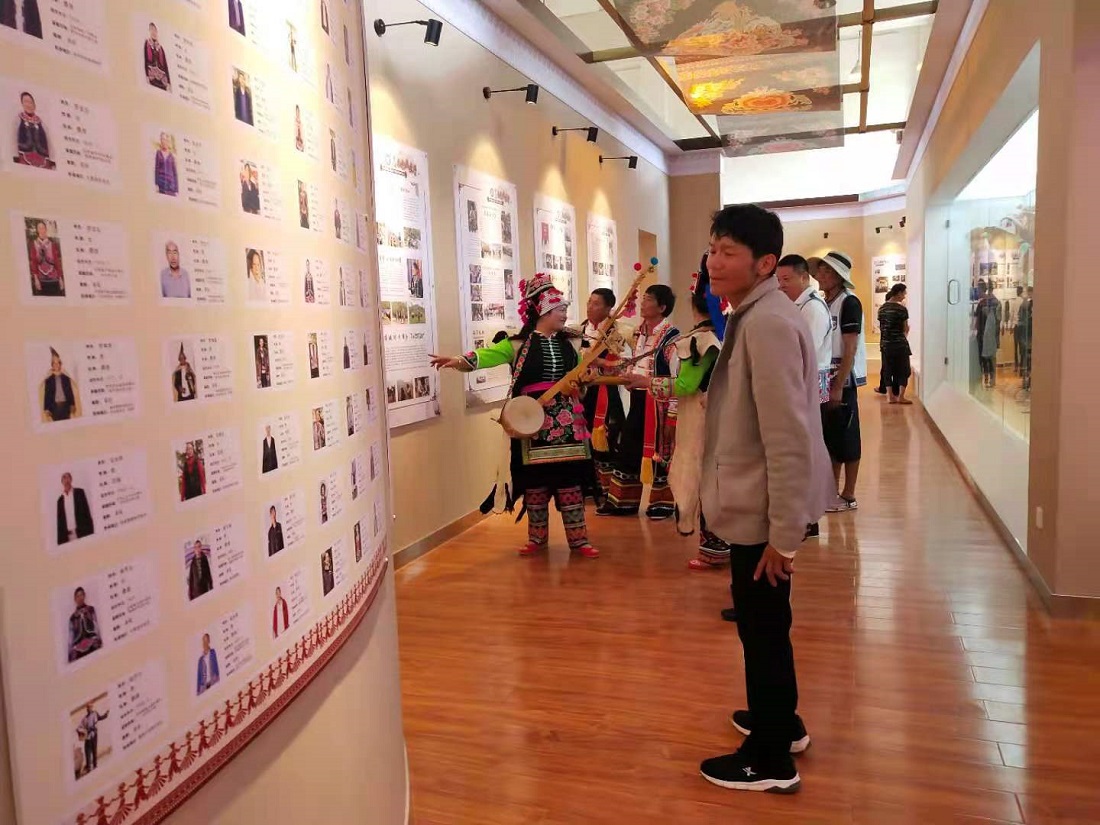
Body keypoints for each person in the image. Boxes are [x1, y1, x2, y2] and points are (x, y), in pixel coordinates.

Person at [697, 204, 833, 794]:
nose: (714, 261)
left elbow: (788, 436)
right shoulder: (757, 313)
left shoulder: (768, 323)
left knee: (764, 629)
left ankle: (770, 758)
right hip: (756, 503)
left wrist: (784, 535)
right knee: (764, 625)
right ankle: (782, 721)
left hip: (763, 511)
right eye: (712, 249)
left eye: (728, 252)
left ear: (765, 262)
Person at [430, 273, 602, 558]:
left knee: (570, 480)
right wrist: (458, 361)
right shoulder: (517, 345)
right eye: (559, 309)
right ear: (543, 311)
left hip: (568, 422)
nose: (564, 314)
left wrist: (584, 380)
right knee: (534, 482)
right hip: (530, 423)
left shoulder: (573, 343)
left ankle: (579, 539)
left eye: (564, 309)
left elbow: (583, 374)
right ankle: (537, 537)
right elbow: (487, 355)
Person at [628, 261, 724, 567]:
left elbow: (685, 384)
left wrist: (646, 382)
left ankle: (714, 547)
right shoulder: (726, 335)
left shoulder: (701, 341)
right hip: (722, 414)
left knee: (703, 476)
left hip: (702, 417)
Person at [599, 284, 680, 519]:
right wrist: (627, 375)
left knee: (660, 450)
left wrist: (672, 414)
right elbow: (633, 361)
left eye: (649, 299)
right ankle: (623, 501)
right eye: (643, 298)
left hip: (659, 403)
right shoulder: (638, 333)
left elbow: (677, 376)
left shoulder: (672, 337)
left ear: (662, 307)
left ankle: (662, 503)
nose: (643, 303)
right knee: (629, 446)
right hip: (638, 398)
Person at [777, 253, 833, 542]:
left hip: (807, 384)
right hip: (799, 383)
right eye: (778, 280)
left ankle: (809, 517)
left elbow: (803, 351)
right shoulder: (796, 305)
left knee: (806, 450)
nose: (781, 285)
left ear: (803, 277)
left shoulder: (812, 308)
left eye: (787, 279)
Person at [809, 251, 867, 513]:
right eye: (820, 270)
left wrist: (838, 385)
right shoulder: (825, 302)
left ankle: (849, 494)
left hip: (841, 380)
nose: (820, 275)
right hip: (825, 377)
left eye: (826, 271)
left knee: (848, 436)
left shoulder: (849, 302)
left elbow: (850, 347)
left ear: (838, 276)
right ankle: (831, 491)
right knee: (830, 436)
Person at [579, 288, 628, 496]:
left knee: (609, 435)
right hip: (583, 393)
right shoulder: (579, 330)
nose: (590, 307)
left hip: (607, 392)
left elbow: (623, 365)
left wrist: (598, 362)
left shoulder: (618, 333)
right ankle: (588, 485)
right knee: (583, 435)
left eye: (596, 303)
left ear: (609, 308)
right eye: (589, 302)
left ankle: (608, 489)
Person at [877, 283, 912, 404]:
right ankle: (901, 396)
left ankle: (889, 396)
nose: (904, 296)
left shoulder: (882, 309)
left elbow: (882, 328)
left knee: (887, 370)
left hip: (886, 344)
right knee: (904, 370)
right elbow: (905, 328)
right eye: (904, 293)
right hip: (900, 344)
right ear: (899, 293)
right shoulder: (902, 309)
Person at [13, 91, 54, 168]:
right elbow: (13, 137)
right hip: (23, 156)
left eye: (30, 102)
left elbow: (49, 142)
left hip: (43, 159)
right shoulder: (18, 118)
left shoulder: (41, 122)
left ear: (34, 105)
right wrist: (15, 155)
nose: (28, 104)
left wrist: (52, 160)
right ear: (22, 104)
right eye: (25, 102)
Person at [41, 347, 81, 422]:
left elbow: (70, 391)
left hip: (65, 406)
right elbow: (47, 394)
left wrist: (72, 404)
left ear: (60, 364)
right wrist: (46, 408)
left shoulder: (65, 377)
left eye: (58, 363)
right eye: (54, 363)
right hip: (54, 407)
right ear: (52, 365)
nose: (56, 365)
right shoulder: (48, 379)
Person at [976, 279, 1001, 389]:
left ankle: (991, 378)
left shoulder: (993, 303)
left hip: (989, 334)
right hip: (984, 334)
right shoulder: (983, 303)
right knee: (985, 358)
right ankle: (987, 377)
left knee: (990, 358)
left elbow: (997, 320)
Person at [28, 219, 63, 296]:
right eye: (39, 228)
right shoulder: (34, 244)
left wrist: (60, 278)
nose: (41, 230)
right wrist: (36, 279)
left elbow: (57, 262)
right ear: (37, 230)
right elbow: (34, 263)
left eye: (43, 227)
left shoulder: (52, 244)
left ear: (46, 229)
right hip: (41, 279)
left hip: (54, 278)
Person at [57, 472, 94, 545]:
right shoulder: (60, 501)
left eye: (68, 477)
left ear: (71, 479)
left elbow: (87, 513)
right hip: (67, 538)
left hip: (82, 533)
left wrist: (91, 532)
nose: (66, 480)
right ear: (62, 481)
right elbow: (60, 523)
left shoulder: (80, 493)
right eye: (64, 478)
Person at [67, 587, 102, 662]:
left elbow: (96, 625)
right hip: (78, 646)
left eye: (81, 595)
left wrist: (98, 639)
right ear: (75, 599)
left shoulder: (91, 609)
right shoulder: (72, 618)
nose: (80, 598)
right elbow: (71, 636)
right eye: (77, 596)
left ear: (84, 596)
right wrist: (70, 651)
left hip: (92, 641)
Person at [76, 702, 109, 775]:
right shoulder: (84, 718)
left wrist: (106, 715)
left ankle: (95, 765)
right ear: (87, 709)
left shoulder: (95, 714)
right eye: (88, 708)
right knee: (87, 753)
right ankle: (89, 768)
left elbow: (100, 718)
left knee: (94, 751)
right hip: (87, 737)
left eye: (90, 707)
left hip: (94, 736)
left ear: (92, 708)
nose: (89, 709)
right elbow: (79, 727)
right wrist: (80, 731)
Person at [143, 22, 171, 91]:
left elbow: (165, 65)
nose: (154, 32)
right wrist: (146, 75)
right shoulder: (147, 43)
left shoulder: (161, 48)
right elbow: (145, 59)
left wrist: (169, 82)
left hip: (162, 80)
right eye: (152, 30)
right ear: (149, 31)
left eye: (155, 30)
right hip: (151, 76)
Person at [154, 132, 178, 196]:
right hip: (161, 183)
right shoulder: (158, 153)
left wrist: (176, 189)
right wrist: (156, 184)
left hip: (171, 185)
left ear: (168, 142)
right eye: (162, 139)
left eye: (165, 139)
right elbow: (156, 169)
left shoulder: (172, 156)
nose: (163, 141)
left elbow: (175, 173)